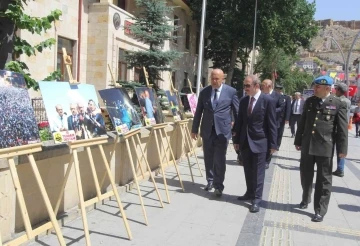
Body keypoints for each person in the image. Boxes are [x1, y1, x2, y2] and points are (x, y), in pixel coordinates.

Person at [294, 76, 348, 222]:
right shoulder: (310, 101)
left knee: (324, 180)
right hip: (307, 145)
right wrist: (298, 140)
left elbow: (342, 129)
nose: (314, 89)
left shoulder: (338, 104)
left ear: (327, 89)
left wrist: (342, 149)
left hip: (325, 147)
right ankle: (306, 198)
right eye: (315, 86)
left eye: (318, 87)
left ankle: (320, 209)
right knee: (305, 175)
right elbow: (303, 122)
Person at [191, 68, 239, 197]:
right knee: (208, 158)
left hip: (222, 131)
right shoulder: (205, 92)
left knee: (219, 159)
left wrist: (237, 132)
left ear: (222, 78)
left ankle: (219, 186)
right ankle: (210, 181)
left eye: (216, 78)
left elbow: (237, 112)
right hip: (207, 130)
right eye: (212, 78)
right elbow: (198, 112)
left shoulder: (231, 92)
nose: (214, 80)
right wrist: (194, 129)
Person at [233, 75, 277, 213]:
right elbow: (239, 121)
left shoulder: (267, 101)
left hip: (260, 142)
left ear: (256, 86)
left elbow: (272, 124)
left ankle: (257, 200)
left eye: (247, 86)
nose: (245, 88)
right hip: (245, 142)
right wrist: (236, 140)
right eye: (244, 85)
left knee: (258, 173)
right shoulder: (244, 101)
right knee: (248, 170)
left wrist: (273, 145)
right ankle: (249, 192)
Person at [261, 79, 285, 169]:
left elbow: (281, 107)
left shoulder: (277, 95)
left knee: (270, 141)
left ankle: (267, 160)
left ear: (269, 86)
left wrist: (271, 111)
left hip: (273, 122)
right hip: (262, 123)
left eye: (263, 84)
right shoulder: (261, 94)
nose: (261, 86)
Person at [332, 83, 351, 177]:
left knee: (332, 148)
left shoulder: (337, 101)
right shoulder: (348, 101)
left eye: (336, 89)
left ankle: (335, 168)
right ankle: (340, 168)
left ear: (338, 90)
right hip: (343, 127)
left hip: (336, 127)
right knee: (341, 149)